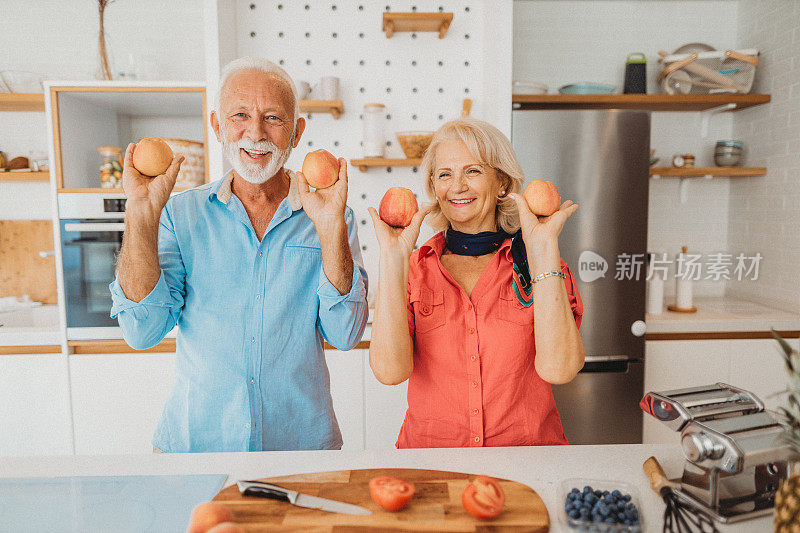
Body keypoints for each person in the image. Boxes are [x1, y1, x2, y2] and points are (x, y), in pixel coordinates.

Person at [109, 57, 368, 452]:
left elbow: (345, 334)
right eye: (240, 115)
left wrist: (330, 228)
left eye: (273, 118)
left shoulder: (332, 216)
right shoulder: (180, 215)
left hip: (299, 449)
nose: (255, 133)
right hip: (198, 447)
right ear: (217, 125)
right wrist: (142, 212)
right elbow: (142, 332)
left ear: (296, 132)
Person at [368, 118, 584, 448]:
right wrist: (392, 257)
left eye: (472, 171)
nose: (457, 186)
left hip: (527, 462)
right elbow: (389, 372)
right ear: (434, 187)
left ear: (501, 182)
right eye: (445, 174)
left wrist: (543, 249)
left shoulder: (539, 265)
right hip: (432, 464)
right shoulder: (414, 269)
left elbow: (561, 369)